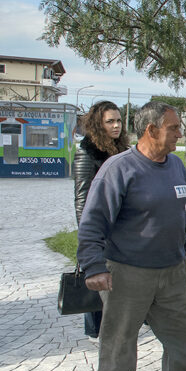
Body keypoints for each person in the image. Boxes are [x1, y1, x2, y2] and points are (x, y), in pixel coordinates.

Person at [78, 100, 186, 371]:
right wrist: (94, 265)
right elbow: (93, 220)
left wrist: (183, 246)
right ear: (151, 130)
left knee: (184, 332)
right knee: (120, 335)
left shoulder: (175, 165)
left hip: (172, 269)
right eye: (174, 128)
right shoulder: (119, 169)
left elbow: (177, 214)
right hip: (127, 270)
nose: (180, 134)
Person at [73, 100, 130, 339]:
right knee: (99, 281)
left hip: (123, 229)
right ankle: (97, 331)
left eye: (118, 121)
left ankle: (123, 324)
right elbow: (81, 200)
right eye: (110, 122)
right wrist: (90, 237)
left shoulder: (122, 150)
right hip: (101, 230)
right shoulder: (87, 152)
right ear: (98, 124)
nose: (116, 126)